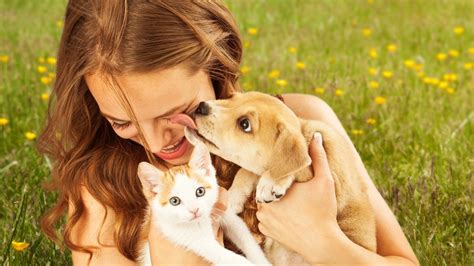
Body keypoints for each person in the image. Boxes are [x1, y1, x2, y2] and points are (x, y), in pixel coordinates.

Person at [38, 0, 419, 265]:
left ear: (218, 67)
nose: (158, 143)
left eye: (180, 113)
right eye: (122, 122)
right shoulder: (101, 188)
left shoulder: (298, 125)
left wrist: (324, 242)